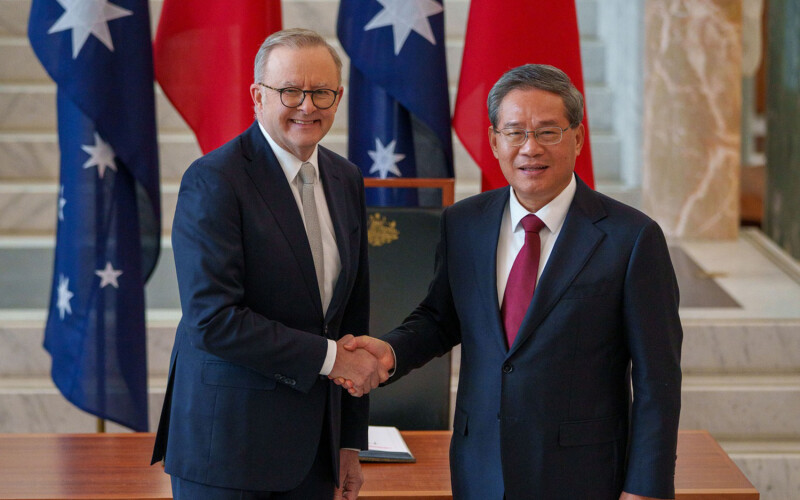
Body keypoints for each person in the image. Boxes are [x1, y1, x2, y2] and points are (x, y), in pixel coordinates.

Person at [338, 64, 683, 500]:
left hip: (584, 474)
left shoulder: (631, 238)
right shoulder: (464, 223)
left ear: (578, 138)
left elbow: (659, 380)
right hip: (480, 466)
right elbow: (441, 319)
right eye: (515, 132)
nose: (530, 148)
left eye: (548, 132)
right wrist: (389, 352)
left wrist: (646, 489)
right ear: (494, 141)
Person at [152, 28, 388, 500]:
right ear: (258, 97)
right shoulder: (214, 180)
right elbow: (214, 320)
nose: (308, 105)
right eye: (290, 91)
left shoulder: (345, 178)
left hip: (317, 453)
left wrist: (348, 442)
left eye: (321, 92)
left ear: (337, 97)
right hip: (229, 452)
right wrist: (331, 359)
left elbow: (350, 316)